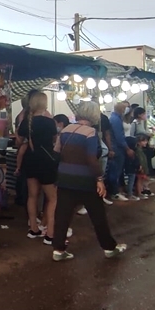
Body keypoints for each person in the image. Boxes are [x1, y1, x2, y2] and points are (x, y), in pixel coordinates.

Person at [49, 101, 128, 262]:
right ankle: (109, 247)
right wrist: (99, 179)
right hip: (85, 180)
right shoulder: (90, 132)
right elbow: (92, 159)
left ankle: (58, 249)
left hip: (64, 178)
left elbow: (56, 152)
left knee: (62, 215)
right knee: (97, 215)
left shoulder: (65, 130)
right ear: (94, 115)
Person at [18, 91, 59, 242]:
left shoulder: (26, 122)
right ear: (44, 104)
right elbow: (55, 140)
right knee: (53, 198)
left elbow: (19, 141)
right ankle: (50, 234)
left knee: (32, 196)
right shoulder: (49, 122)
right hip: (46, 161)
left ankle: (34, 228)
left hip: (30, 159)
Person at [108, 101, 134, 201]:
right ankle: (114, 192)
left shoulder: (116, 118)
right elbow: (119, 137)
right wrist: (127, 148)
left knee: (116, 171)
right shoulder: (115, 120)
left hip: (117, 147)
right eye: (124, 108)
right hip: (117, 148)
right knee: (115, 171)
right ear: (121, 109)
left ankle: (115, 191)